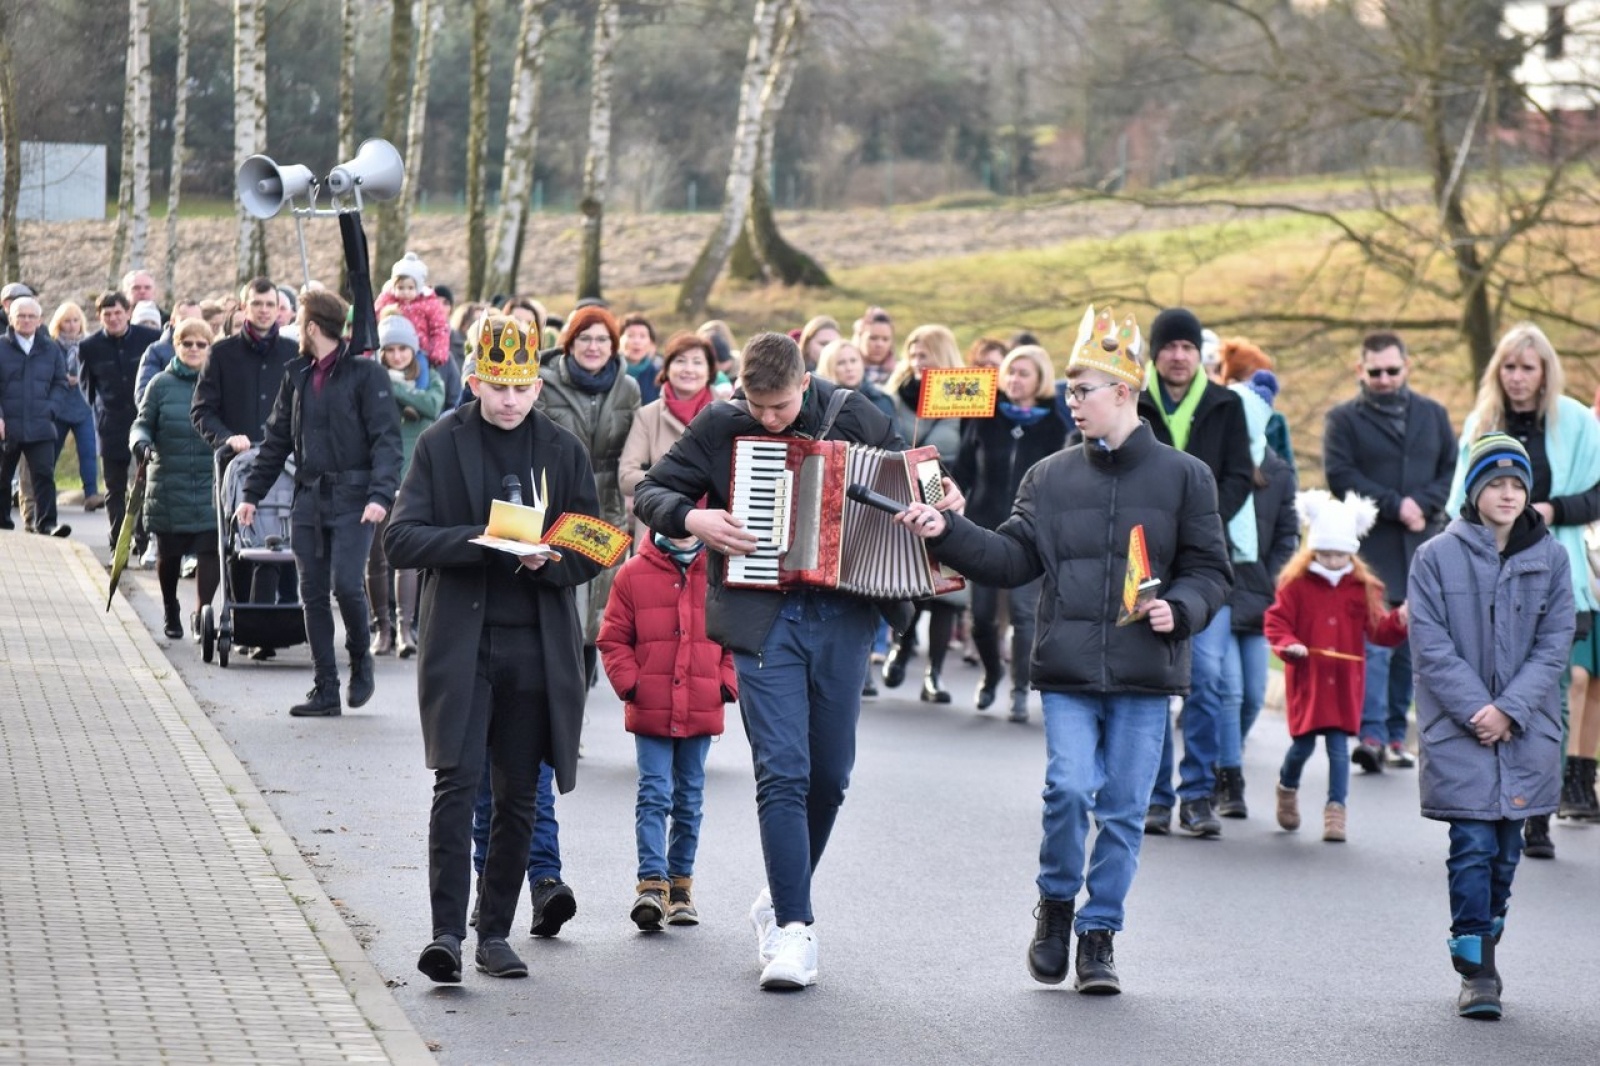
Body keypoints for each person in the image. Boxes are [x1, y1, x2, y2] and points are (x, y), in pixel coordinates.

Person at [898, 304, 1230, 995]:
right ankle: (1055, 905)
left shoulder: (1186, 477)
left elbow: (1211, 572)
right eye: (1069, 390)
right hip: (1070, 668)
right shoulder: (1048, 477)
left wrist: (1182, 609)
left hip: (1147, 668)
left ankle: (1099, 932)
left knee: (1124, 809)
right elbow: (1011, 557)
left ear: (1124, 393)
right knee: (1070, 789)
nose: (1070, 402)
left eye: (1082, 391)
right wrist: (946, 530)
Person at [633, 331, 962, 991]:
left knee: (830, 776)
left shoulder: (857, 413)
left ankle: (781, 894)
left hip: (846, 614)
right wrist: (694, 521)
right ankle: (794, 927)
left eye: (780, 406)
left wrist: (944, 496)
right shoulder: (722, 425)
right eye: (756, 406)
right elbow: (650, 491)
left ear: (805, 382)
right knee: (782, 771)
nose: (768, 418)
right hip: (763, 618)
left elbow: (920, 481)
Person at [385, 314, 606, 984]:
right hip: (461, 641)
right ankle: (446, 935)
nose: (509, 400)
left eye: (521, 388)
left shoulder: (562, 448)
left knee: (517, 795)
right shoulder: (441, 443)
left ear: (537, 386)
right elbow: (401, 540)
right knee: (456, 786)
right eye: (498, 386)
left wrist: (550, 559)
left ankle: (494, 933)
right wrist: (478, 541)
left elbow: (594, 541)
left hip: (535, 645)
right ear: (476, 380)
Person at [1409, 432, 1574, 1020]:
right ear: (1474, 489)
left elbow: (1555, 644)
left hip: (1525, 730)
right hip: (1461, 730)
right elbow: (1430, 644)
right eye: (1496, 483)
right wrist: (1480, 709)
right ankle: (1477, 970)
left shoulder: (1552, 558)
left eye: (1516, 485)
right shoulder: (1435, 557)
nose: (1507, 494)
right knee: (1472, 845)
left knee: (1506, 852)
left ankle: (1486, 932)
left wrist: (1511, 709)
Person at [1444, 322, 1600, 860]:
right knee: (1494, 687)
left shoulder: (1576, 422)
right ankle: (1493, 799)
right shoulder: (1481, 422)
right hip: (1488, 578)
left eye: (1527, 368)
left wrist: (1554, 509)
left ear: (1544, 372)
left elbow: (1598, 491)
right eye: (1509, 367)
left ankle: (1538, 811)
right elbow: (1458, 501)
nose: (1517, 377)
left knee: (1551, 694)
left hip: (1556, 574)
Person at [235, 289, 403, 718]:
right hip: (308, 497)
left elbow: (387, 440)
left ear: (311, 327)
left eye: (299, 323)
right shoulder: (297, 376)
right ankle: (325, 687)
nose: (295, 331)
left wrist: (380, 495)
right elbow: (276, 441)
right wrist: (251, 494)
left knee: (346, 584)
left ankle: (360, 660)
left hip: (355, 498)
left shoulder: (366, 375)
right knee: (311, 593)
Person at [1135, 307, 1252, 838]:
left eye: (1187, 347)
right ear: (1155, 354)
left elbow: (1239, 477)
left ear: (1199, 353)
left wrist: (1201, 518)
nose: (1179, 356)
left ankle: (1198, 793)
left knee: (1205, 677)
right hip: (1147, 561)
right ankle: (1156, 795)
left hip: (1205, 563)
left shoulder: (1225, 405)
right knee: (1154, 681)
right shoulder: (1135, 402)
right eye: (1169, 347)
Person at [1323, 331, 1457, 777]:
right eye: (1375, 371)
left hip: (1422, 549)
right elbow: (1340, 475)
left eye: (1392, 370)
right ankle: (1372, 736)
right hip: (1373, 552)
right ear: (1360, 370)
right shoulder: (1343, 419)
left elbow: (1450, 469)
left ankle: (1398, 736)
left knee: (1410, 650)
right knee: (1374, 648)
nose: (1384, 379)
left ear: (1406, 367)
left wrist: (1423, 503)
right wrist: (1395, 505)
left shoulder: (1433, 414)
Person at [597, 530, 736, 931]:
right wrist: (633, 685)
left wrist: (725, 684)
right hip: (652, 705)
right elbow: (613, 638)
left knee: (689, 798)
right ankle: (652, 885)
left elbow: (738, 637)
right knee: (654, 793)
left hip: (700, 703)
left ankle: (680, 888)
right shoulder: (632, 574)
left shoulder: (721, 573)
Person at [1263, 491, 1408, 842]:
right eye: (1325, 553)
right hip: (1309, 681)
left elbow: (1379, 630)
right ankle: (1287, 786)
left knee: (1339, 749)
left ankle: (1336, 811)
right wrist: (1289, 645)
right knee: (1302, 746)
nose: (1331, 561)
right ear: (1313, 550)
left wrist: (1400, 620)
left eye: (1339, 554)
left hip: (1344, 683)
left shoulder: (1363, 587)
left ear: (1351, 552)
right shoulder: (1296, 585)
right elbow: (1277, 623)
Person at [952, 344, 1066, 721]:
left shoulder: (1055, 426)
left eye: (1023, 373)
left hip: (1031, 534)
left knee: (1023, 615)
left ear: (1040, 379)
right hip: (983, 528)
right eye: (1011, 372)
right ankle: (991, 673)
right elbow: (963, 470)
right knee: (982, 617)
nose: (1015, 379)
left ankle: (1019, 690)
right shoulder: (985, 418)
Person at [539, 304, 641, 683]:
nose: (593, 347)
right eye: (585, 338)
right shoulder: (545, 382)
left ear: (613, 345)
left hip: (607, 505)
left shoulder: (627, 388)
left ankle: (581, 680)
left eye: (602, 339)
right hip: (559, 503)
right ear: (570, 341)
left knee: (598, 604)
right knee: (562, 595)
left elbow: (634, 448)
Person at [1212, 372, 1299, 819]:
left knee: (1252, 694)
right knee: (1227, 690)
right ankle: (1230, 778)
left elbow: (1288, 534)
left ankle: (1224, 755)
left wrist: (1272, 577)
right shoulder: (1213, 465)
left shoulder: (1278, 472)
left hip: (1259, 592)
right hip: (1218, 591)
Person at [192, 278, 303, 614]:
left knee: (285, 535)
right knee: (239, 541)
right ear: (244, 308)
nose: (264, 311)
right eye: (257, 304)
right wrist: (227, 438)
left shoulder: (294, 353)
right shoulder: (222, 354)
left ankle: (286, 614)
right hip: (237, 468)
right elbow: (202, 410)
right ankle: (242, 613)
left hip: (285, 466)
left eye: (270, 304)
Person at [880, 324, 966, 702]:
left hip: (950, 496)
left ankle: (935, 673)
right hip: (905, 495)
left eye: (925, 355)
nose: (917, 362)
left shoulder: (965, 400)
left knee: (946, 589)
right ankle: (902, 646)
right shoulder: (895, 395)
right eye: (913, 354)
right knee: (908, 578)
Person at [129, 318, 221, 639]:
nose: (193, 349)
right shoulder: (160, 384)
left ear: (210, 347)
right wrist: (141, 443)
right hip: (169, 480)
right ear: (176, 346)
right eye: (186, 343)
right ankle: (170, 607)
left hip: (211, 480)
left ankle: (202, 613)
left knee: (210, 549)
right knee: (170, 554)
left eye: (201, 344)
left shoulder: (220, 383)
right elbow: (142, 423)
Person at [367, 312, 443, 657]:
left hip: (414, 478)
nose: (397, 356)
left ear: (414, 349)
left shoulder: (429, 377)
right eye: (390, 349)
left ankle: (405, 629)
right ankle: (381, 628)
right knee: (376, 556)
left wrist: (393, 387)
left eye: (403, 348)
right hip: (378, 475)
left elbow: (432, 405)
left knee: (406, 556)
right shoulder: (370, 379)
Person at [77, 292, 162, 551]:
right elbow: (87, 388)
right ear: (99, 316)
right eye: (107, 314)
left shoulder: (149, 339)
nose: (113, 318)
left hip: (144, 422)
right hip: (111, 425)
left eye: (118, 313)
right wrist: (103, 411)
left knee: (143, 483)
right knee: (114, 488)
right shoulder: (89, 347)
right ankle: (117, 541)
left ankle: (142, 539)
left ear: (128, 312)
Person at [618, 331, 716, 545]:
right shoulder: (648, 415)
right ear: (667, 367)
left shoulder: (726, 412)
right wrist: (675, 482)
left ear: (709, 371)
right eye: (680, 361)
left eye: (697, 362)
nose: (688, 369)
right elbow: (626, 477)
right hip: (659, 530)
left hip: (714, 532)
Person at [0, 296, 70, 536]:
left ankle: (47, 523)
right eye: (21, 316)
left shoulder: (50, 349)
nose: (27, 320)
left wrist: (51, 408)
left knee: (44, 475)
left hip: (41, 424)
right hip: (7, 425)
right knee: (2, 476)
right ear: (11, 318)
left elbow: (60, 383)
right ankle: (2, 523)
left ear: (40, 320)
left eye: (32, 316)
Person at [375, 252, 458, 406]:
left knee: (422, 369)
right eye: (401, 288)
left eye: (410, 288)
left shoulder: (428, 304)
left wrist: (438, 351)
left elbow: (439, 328)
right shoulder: (388, 300)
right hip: (388, 339)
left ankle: (418, 396)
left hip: (420, 347)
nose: (405, 292)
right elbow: (375, 315)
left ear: (418, 288)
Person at [49, 302, 102, 511]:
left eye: (75, 320)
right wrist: (62, 378)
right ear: (59, 324)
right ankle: (43, 494)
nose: (71, 325)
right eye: (67, 321)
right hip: (58, 406)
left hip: (84, 405)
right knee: (50, 453)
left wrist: (82, 379)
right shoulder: (51, 346)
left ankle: (91, 494)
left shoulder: (89, 344)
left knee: (88, 451)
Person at [813, 338, 894, 420]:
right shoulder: (816, 403)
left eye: (853, 361)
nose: (849, 368)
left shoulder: (880, 400)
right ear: (827, 367)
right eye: (841, 363)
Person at [619, 312, 662, 406]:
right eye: (630, 335)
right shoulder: (607, 372)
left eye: (642, 336)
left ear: (651, 343)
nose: (637, 341)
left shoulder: (658, 376)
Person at [855, 307, 895, 386]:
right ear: (860, 337)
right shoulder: (848, 373)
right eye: (873, 338)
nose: (879, 344)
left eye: (885, 339)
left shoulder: (898, 376)